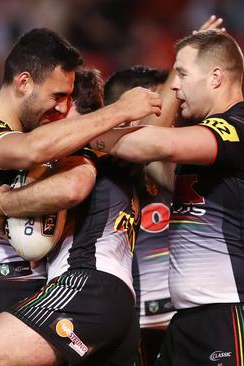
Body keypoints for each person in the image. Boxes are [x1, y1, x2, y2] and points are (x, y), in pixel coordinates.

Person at [0, 28, 161, 342]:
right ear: (24, 82)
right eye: (57, 96)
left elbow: (139, 142)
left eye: (69, 99)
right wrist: (119, 110)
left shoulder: (50, 134)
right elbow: (28, 149)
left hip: (44, 292)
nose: (62, 108)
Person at [91, 29, 244, 365]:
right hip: (190, 319)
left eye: (181, 74)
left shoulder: (242, 127)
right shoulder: (213, 145)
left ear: (215, 77)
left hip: (236, 313)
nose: (175, 86)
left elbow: (154, 144)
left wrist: (77, 135)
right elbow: (158, 164)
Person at [104, 66, 173, 366]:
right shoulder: (108, 158)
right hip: (129, 327)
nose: (172, 111)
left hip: (179, 321)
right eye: (161, 103)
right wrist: (184, 68)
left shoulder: (174, 155)